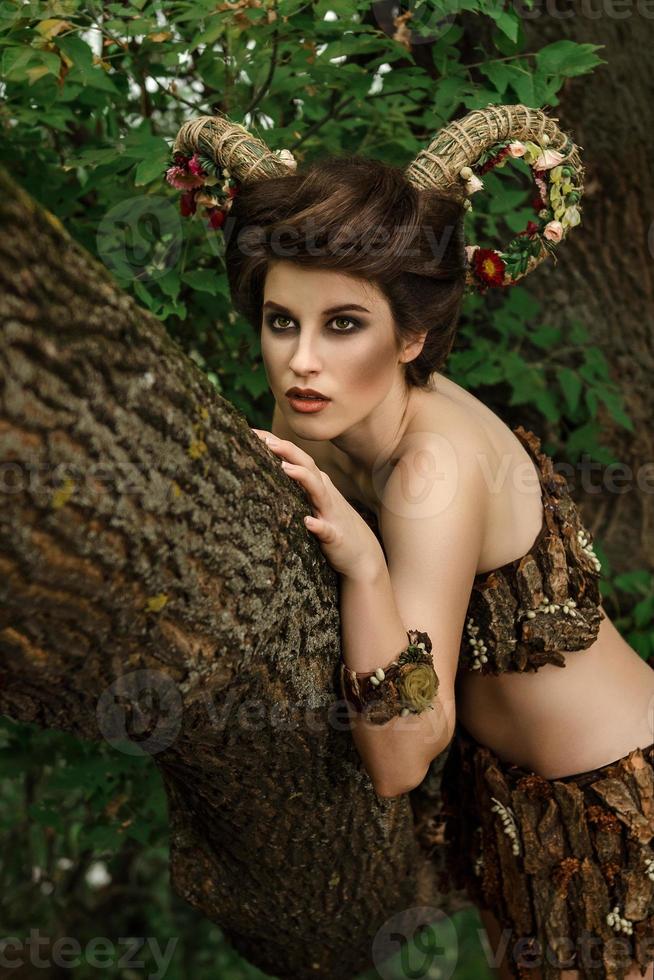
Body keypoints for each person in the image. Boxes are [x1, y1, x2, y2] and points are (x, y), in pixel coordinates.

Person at [166, 106, 654, 980]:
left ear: (414, 336)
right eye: (283, 322)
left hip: (621, 813)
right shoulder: (323, 405)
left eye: (344, 324)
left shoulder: (431, 469)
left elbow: (400, 752)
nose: (300, 363)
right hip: (519, 820)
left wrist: (362, 564)